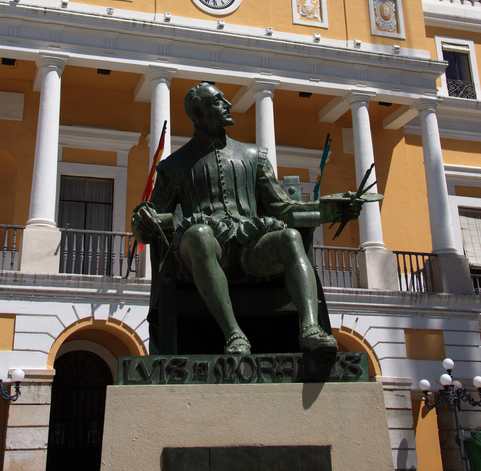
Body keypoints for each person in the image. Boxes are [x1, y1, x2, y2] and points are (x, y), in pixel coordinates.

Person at [132, 82, 368, 356]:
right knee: (199, 235)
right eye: (218, 101)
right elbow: (150, 225)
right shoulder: (174, 166)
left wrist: (333, 210)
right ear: (198, 112)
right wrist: (143, 221)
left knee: (290, 238)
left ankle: (310, 329)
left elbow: (284, 209)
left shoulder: (254, 157)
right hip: (203, 255)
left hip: (250, 250)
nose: (228, 105)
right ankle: (234, 334)